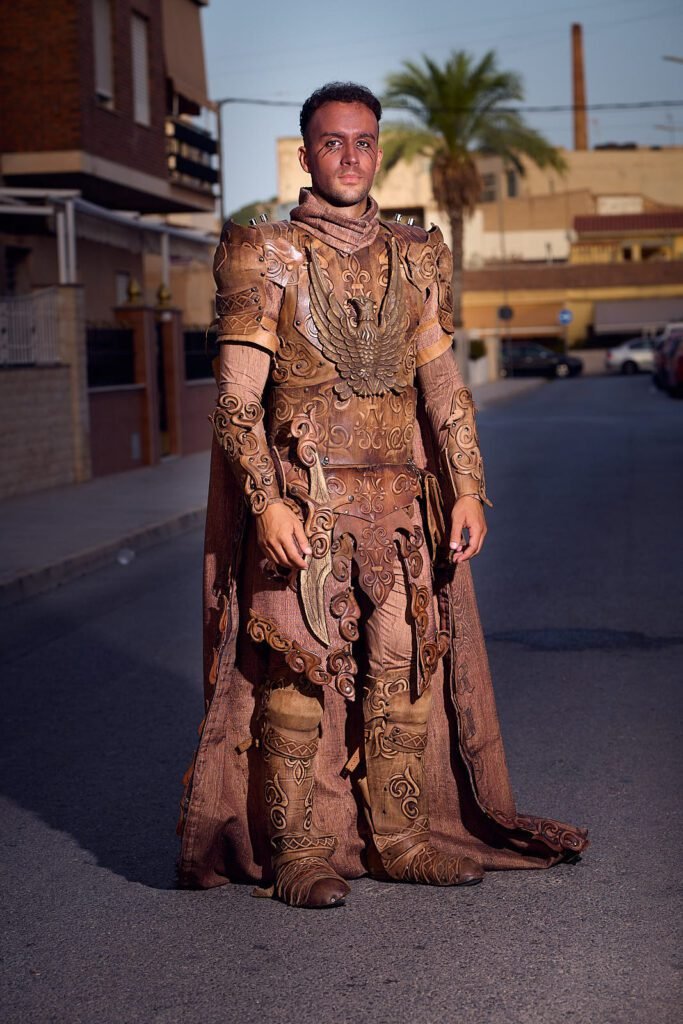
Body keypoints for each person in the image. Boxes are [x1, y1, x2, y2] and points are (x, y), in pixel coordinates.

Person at [177, 82, 587, 907]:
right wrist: (267, 505)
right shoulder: (263, 253)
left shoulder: (414, 254)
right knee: (295, 679)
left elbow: (443, 389)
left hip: (402, 512)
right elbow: (235, 403)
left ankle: (400, 839)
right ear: (307, 155)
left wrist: (469, 488)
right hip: (304, 505)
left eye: (364, 141)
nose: (351, 157)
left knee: (402, 670)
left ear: (379, 150)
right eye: (333, 142)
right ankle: (297, 855)